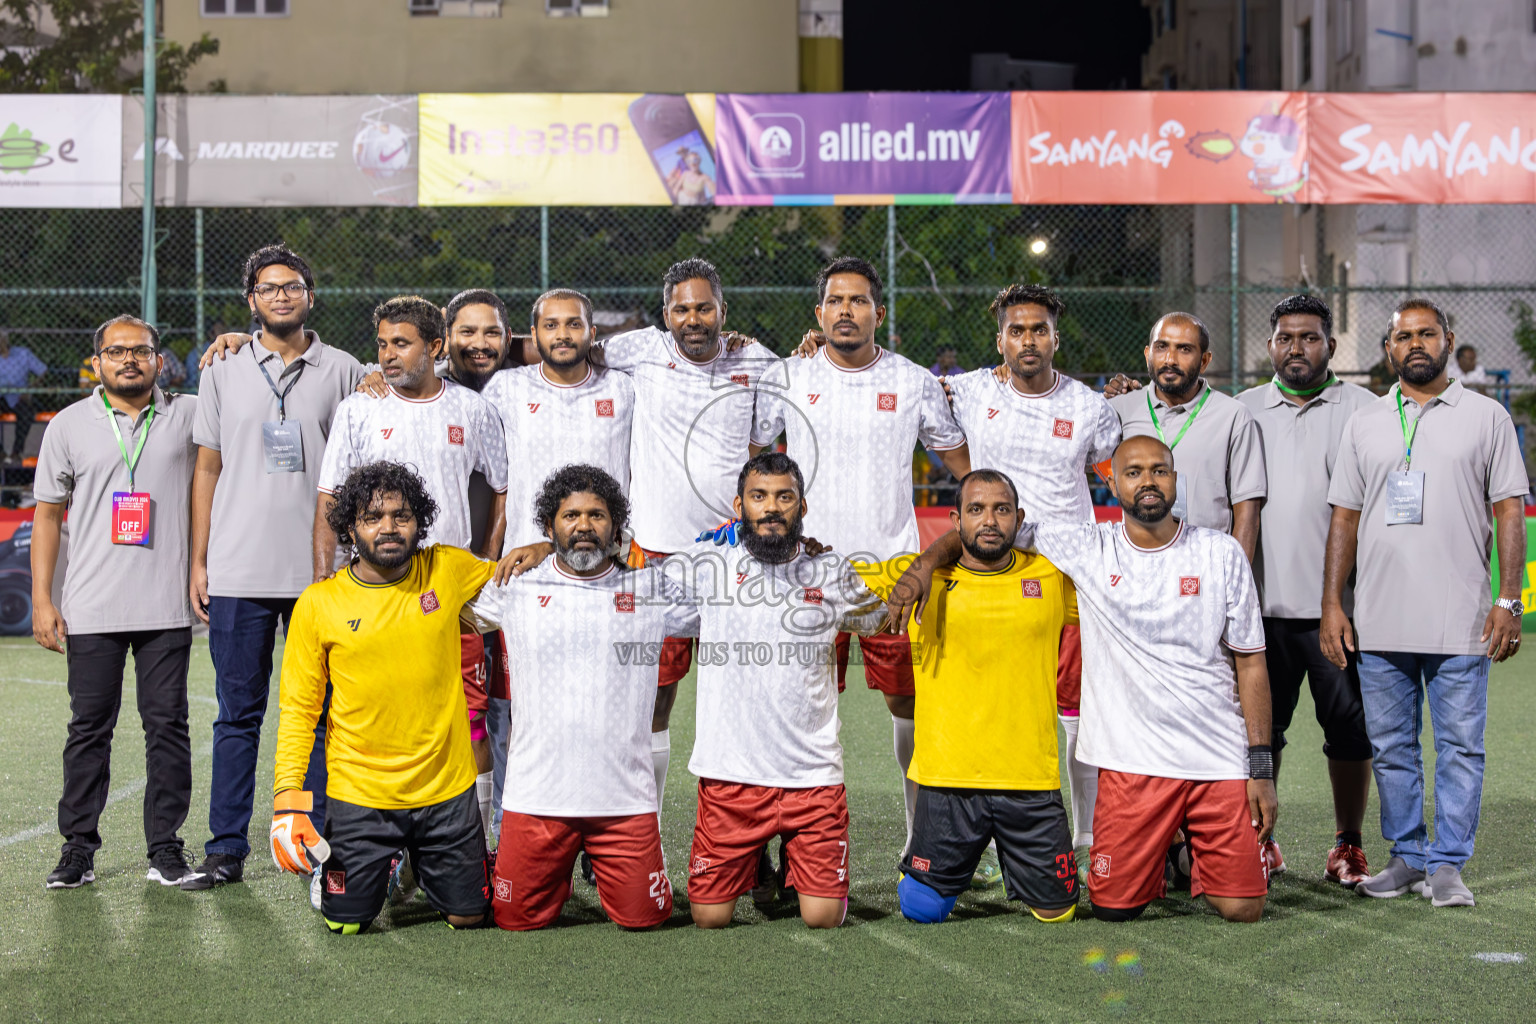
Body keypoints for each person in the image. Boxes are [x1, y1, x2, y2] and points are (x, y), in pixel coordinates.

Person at [888, 435, 1278, 923]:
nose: (1149, 481)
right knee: (1113, 909)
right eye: (1134, 472)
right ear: (1111, 482)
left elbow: (1253, 662)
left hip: (1216, 756)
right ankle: (1164, 853)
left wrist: (1260, 767)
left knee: (1242, 909)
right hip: (1130, 761)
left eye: (1160, 470)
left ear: (1176, 480)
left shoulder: (1221, 553)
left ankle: (1188, 853)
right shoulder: (1087, 546)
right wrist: (926, 564)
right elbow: (988, 526)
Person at [752, 257, 970, 859]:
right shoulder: (788, 376)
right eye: (835, 301)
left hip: (891, 573)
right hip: (804, 571)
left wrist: (977, 520)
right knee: (794, 703)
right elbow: (752, 461)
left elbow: (963, 468)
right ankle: (781, 847)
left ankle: (919, 840)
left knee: (908, 702)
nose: (847, 310)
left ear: (880, 311)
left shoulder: (913, 380)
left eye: (859, 300)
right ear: (818, 313)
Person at [1321, 298, 1528, 908]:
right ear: (1388, 349)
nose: (1415, 343)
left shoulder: (1487, 417)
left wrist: (1509, 600)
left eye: (1426, 333)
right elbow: (1344, 518)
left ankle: (1448, 865)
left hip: (1461, 619)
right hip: (1381, 621)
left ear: (1448, 339)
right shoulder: (1364, 423)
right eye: (1403, 335)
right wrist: (1333, 602)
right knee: (1391, 746)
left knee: (1460, 746)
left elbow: (1510, 510)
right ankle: (1408, 856)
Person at [182, 243, 364, 894]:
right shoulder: (223, 367)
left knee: (319, 716)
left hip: (321, 575)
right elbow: (207, 468)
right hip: (237, 571)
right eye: (268, 287)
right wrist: (199, 560)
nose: (281, 295)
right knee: (237, 715)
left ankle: (315, 842)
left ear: (310, 295)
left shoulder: (345, 370)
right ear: (251, 299)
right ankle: (225, 850)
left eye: (293, 285)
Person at [464, 464, 697, 931]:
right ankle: (554, 874)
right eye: (571, 516)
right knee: (513, 919)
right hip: (536, 798)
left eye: (597, 515)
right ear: (550, 527)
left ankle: (581, 869)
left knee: (646, 918)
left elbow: (727, 604)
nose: (585, 525)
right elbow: (448, 598)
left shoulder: (649, 588)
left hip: (623, 802)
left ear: (616, 525)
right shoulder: (517, 585)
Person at [270, 462, 495, 934]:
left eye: (402, 515)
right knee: (344, 923)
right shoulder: (318, 603)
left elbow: (517, 580)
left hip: (445, 790)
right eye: (373, 517)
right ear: (351, 526)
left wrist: (536, 549)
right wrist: (288, 798)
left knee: (469, 917)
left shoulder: (446, 568)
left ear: (419, 522)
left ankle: (419, 862)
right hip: (360, 795)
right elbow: (298, 710)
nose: (389, 527)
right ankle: (386, 865)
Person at [315, 295, 509, 844]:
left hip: (448, 595)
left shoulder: (471, 410)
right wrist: (322, 584)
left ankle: (479, 843)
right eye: (381, 345)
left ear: (436, 347)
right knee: (374, 718)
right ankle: (377, 841)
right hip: (373, 591)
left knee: (467, 721)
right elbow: (329, 501)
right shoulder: (360, 408)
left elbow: (503, 490)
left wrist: (484, 569)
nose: (387, 356)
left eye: (400, 344)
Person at [945, 284, 1120, 878]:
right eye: (1017, 331)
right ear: (1000, 339)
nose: (1028, 340)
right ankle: (987, 823)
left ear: (1054, 337)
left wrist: (1127, 393)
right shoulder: (967, 391)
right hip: (990, 573)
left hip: (1067, 575)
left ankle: (1086, 829)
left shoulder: (1090, 407)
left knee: (1074, 710)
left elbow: (1119, 462)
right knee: (998, 703)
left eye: (1039, 330)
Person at [672, 452, 888, 928]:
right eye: (759, 497)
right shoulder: (706, 564)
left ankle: (795, 863)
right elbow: (628, 588)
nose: (771, 508)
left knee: (823, 917)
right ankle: (756, 862)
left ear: (802, 507)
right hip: (731, 774)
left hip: (810, 777)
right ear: (739, 505)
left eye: (783, 497)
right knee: (709, 918)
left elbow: (875, 618)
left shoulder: (830, 571)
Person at [860, 469, 1080, 924]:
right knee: (921, 910)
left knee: (1058, 912)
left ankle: (1005, 860)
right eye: (976, 509)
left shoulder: (1053, 578)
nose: (989, 521)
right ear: (954, 518)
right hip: (947, 781)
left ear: (1019, 518)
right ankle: (943, 865)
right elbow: (837, 579)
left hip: (1029, 780)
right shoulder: (918, 576)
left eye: (1001, 509)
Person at [593, 258, 768, 817]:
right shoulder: (638, 349)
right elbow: (561, 348)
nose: (693, 319)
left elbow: (759, 453)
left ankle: (752, 833)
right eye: (681, 309)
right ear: (665, 313)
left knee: (741, 698)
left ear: (723, 310)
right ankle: (641, 819)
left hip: (733, 560)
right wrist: (452, 356)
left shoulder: (758, 361)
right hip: (656, 558)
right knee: (652, 698)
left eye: (704, 307)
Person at [30, 315, 198, 889]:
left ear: (159, 360)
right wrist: (42, 600)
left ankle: (166, 847)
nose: (130, 360)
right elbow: (48, 516)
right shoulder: (69, 425)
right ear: (96, 361)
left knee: (168, 728)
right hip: (92, 607)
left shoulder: (192, 414)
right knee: (88, 729)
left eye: (141, 350)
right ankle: (78, 848)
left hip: (168, 605)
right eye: (117, 351)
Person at [1234, 294, 1376, 886]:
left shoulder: (1367, 409)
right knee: (1263, 733)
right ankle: (1261, 842)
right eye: (1286, 338)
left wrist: (1340, 603)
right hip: (1259, 610)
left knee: (1348, 730)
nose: (1297, 347)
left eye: (1310, 337)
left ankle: (1348, 843)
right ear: (1270, 347)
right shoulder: (1240, 410)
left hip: (1335, 613)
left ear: (1331, 346)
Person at [1105, 312, 1267, 562]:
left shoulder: (1233, 416)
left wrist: (1236, 578)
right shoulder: (1120, 409)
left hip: (1205, 567)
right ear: (1148, 354)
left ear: (1204, 361)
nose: (1170, 359)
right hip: (1136, 565)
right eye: (1162, 347)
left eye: (1184, 349)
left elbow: (1247, 511)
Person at [482, 289, 634, 552]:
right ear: (534, 334)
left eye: (574, 324)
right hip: (525, 554)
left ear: (593, 334)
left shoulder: (623, 388)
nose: (562, 335)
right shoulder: (506, 388)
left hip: (607, 556)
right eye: (550, 325)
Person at [0, 327, 47, 463]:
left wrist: (30, 389)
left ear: (5, 341)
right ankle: (1, 452)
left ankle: (16, 451)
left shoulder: (22, 354)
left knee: (26, 413)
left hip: (19, 396)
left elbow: (42, 371)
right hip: (1, 396)